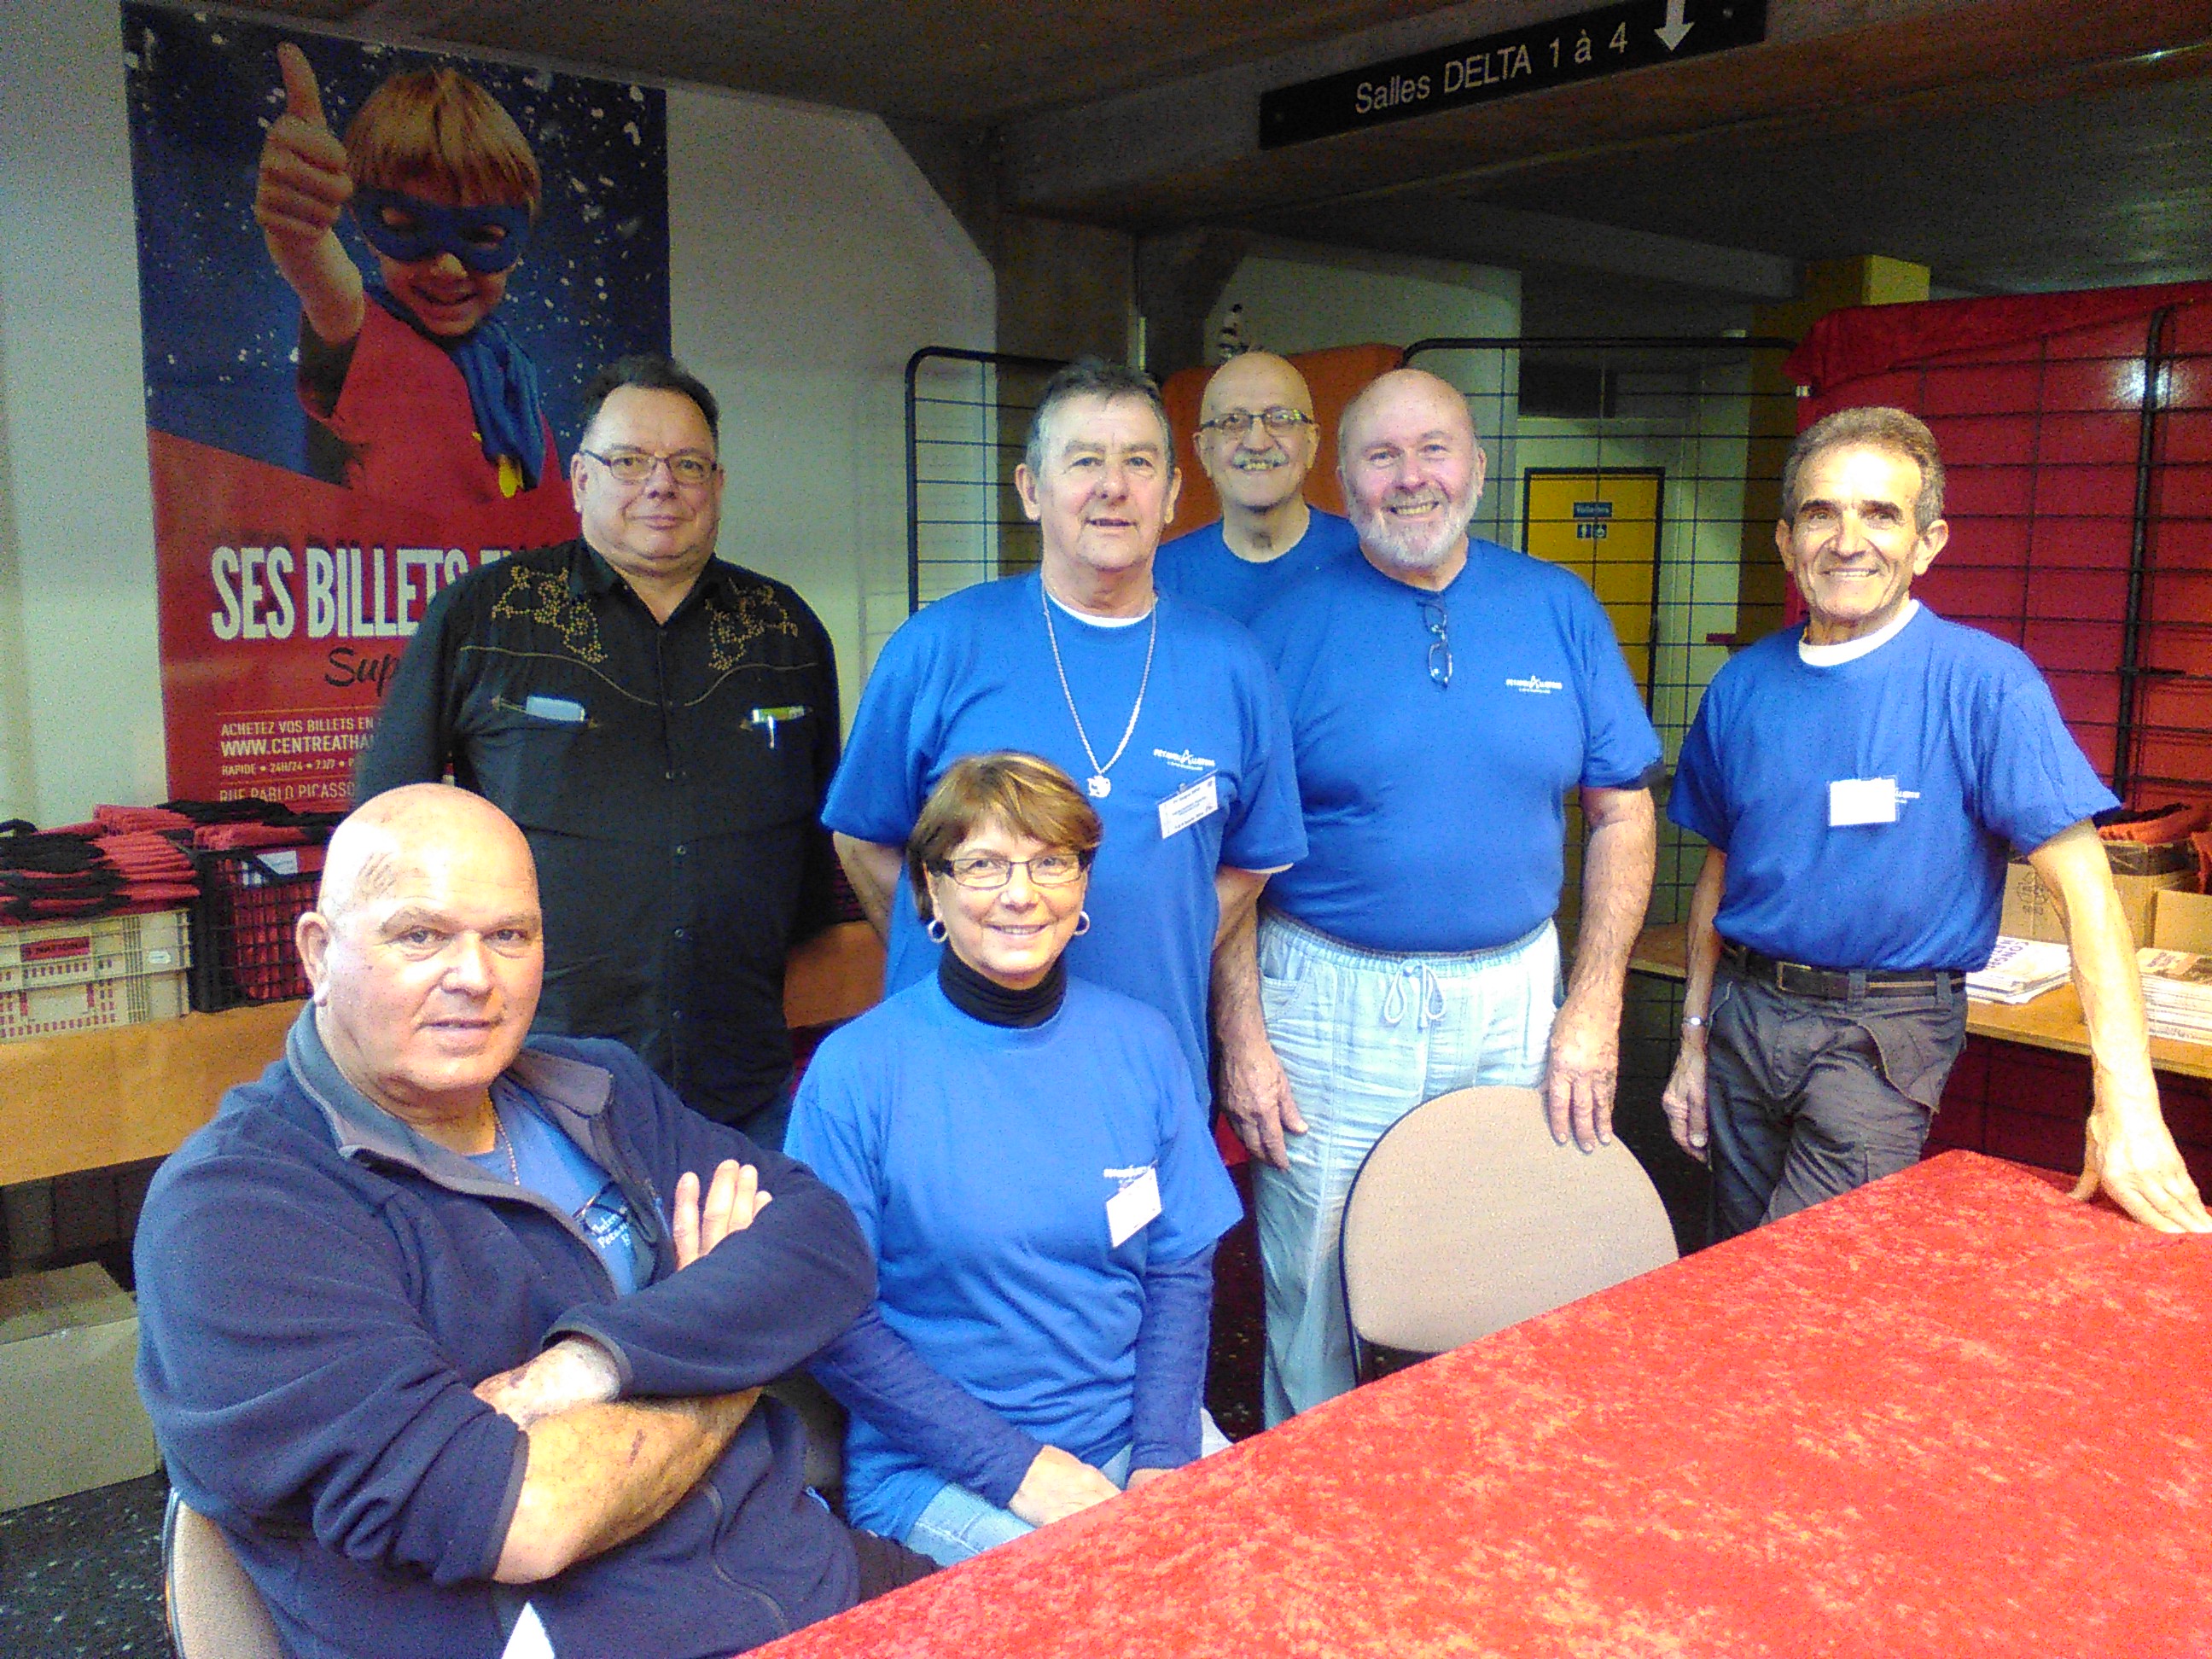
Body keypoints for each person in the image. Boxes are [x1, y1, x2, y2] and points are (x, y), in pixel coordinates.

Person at [132, 784, 930, 1659]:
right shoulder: (239, 1214)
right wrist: (732, 1351)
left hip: (808, 1575)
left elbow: (821, 1245)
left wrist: (587, 1368)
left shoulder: (598, 1090)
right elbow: (526, 1518)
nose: (475, 977)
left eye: (509, 935)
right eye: (420, 935)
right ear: (319, 954)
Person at [1222, 367, 1662, 1423]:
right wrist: (1243, 1038)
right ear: (1344, 476)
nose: (1411, 479)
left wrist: (1594, 1006)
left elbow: (1624, 814)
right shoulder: (1281, 633)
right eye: (1382, 456)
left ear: (1475, 463)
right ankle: (1315, 1523)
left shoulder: (1557, 605)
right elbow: (1226, 862)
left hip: (1516, 997)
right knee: (1316, 1285)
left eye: (1434, 450)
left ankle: (1481, 1506)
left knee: (1506, 1267)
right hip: (1325, 1000)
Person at [1662, 405, 2211, 1237]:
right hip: (1745, 1015)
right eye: (1822, 512)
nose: (1849, 540)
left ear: (1928, 542)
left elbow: (2088, 890)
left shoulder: (1985, 684)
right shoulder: (1741, 687)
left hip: (1881, 1033)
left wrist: (2128, 1104)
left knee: (1805, 1282)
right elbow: (1719, 871)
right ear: (1785, 541)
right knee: (1732, 1263)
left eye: (1881, 514)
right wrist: (1695, 1038)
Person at [357, 353, 840, 1142]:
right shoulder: (486, 618)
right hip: (535, 1078)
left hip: (742, 1077)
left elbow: (819, 841)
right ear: (580, 480)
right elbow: (387, 829)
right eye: (628, 461)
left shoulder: (784, 630)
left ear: (717, 485)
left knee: (741, 1262)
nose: (661, 484)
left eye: (688, 464)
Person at [824, 358, 1306, 1121]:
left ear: (1174, 494)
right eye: (1084, 460)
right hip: (958, 1081)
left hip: (1146, 1082)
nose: (1113, 486)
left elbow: (1253, 860)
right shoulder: (938, 647)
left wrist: (1163, 934)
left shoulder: (1232, 666)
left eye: (1139, 462)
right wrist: (952, 939)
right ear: (1030, 490)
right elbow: (863, 840)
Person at [789, 754, 1241, 1564]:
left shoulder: (1143, 1043)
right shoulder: (855, 1076)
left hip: (1138, 1440)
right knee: (1101, 1609)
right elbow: (835, 1326)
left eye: (1050, 862)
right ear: (930, 889)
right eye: (984, 865)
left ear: (1082, 885)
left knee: (1257, 1583)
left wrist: (1164, 1461)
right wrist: (1022, 1472)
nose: (1021, 893)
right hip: (945, 1473)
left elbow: (1179, 1272)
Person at [253, 43, 572, 538]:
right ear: (362, 225)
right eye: (406, 226)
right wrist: (302, 232)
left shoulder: (515, 387)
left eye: (483, 235)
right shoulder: (373, 343)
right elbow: (327, 286)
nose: (446, 267)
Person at [1153, 351, 1362, 625]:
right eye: (1232, 422)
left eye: (1280, 419)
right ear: (1203, 451)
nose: (1257, 443)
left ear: (1312, 444)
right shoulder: (1157, 579)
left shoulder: (1367, 560)